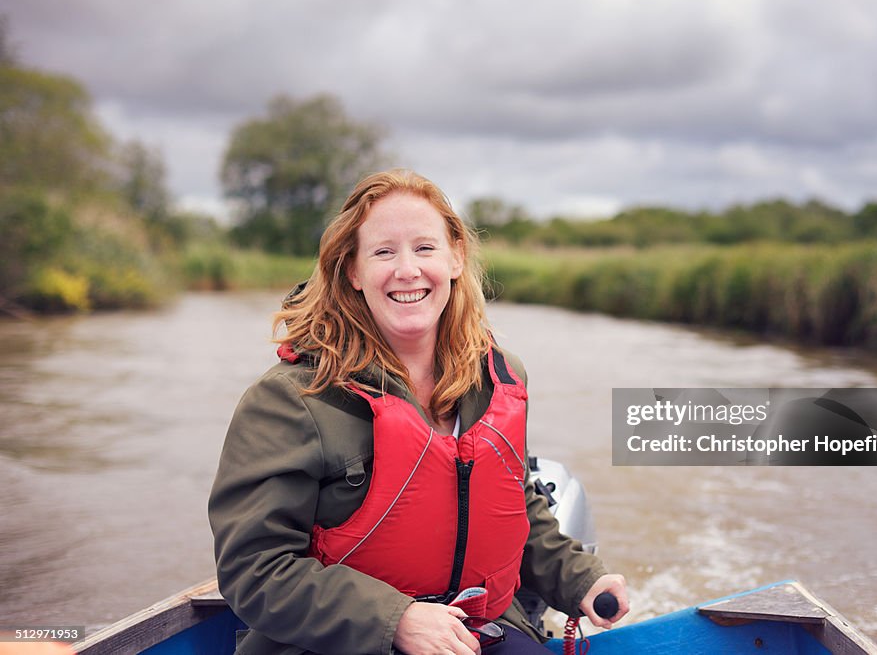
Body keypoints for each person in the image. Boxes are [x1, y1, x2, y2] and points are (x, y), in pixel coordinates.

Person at [209, 169, 629, 655]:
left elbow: (517, 505)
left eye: (424, 248)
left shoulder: (499, 379)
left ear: (455, 258)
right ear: (352, 271)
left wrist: (582, 581)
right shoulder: (289, 401)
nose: (407, 270)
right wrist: (397, 620)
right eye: (383, 252)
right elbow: (254, 569)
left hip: (476, 632)